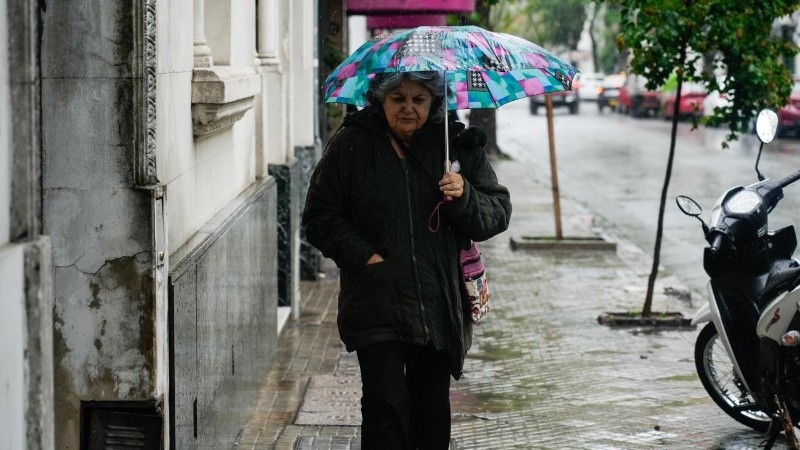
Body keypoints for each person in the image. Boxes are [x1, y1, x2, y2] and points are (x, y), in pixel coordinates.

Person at [302, 71, 511, 449]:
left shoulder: (456, 146)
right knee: (385, 405)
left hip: (436, 305)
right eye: (398, 98)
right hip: (375, 299)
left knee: (430, 412)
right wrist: (366, 256)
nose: (408, 108)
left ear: (433, 103)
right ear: (380, 100)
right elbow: (318, 216)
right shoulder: (352, 144)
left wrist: (464, 196)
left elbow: (497, 212)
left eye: (419, 99)